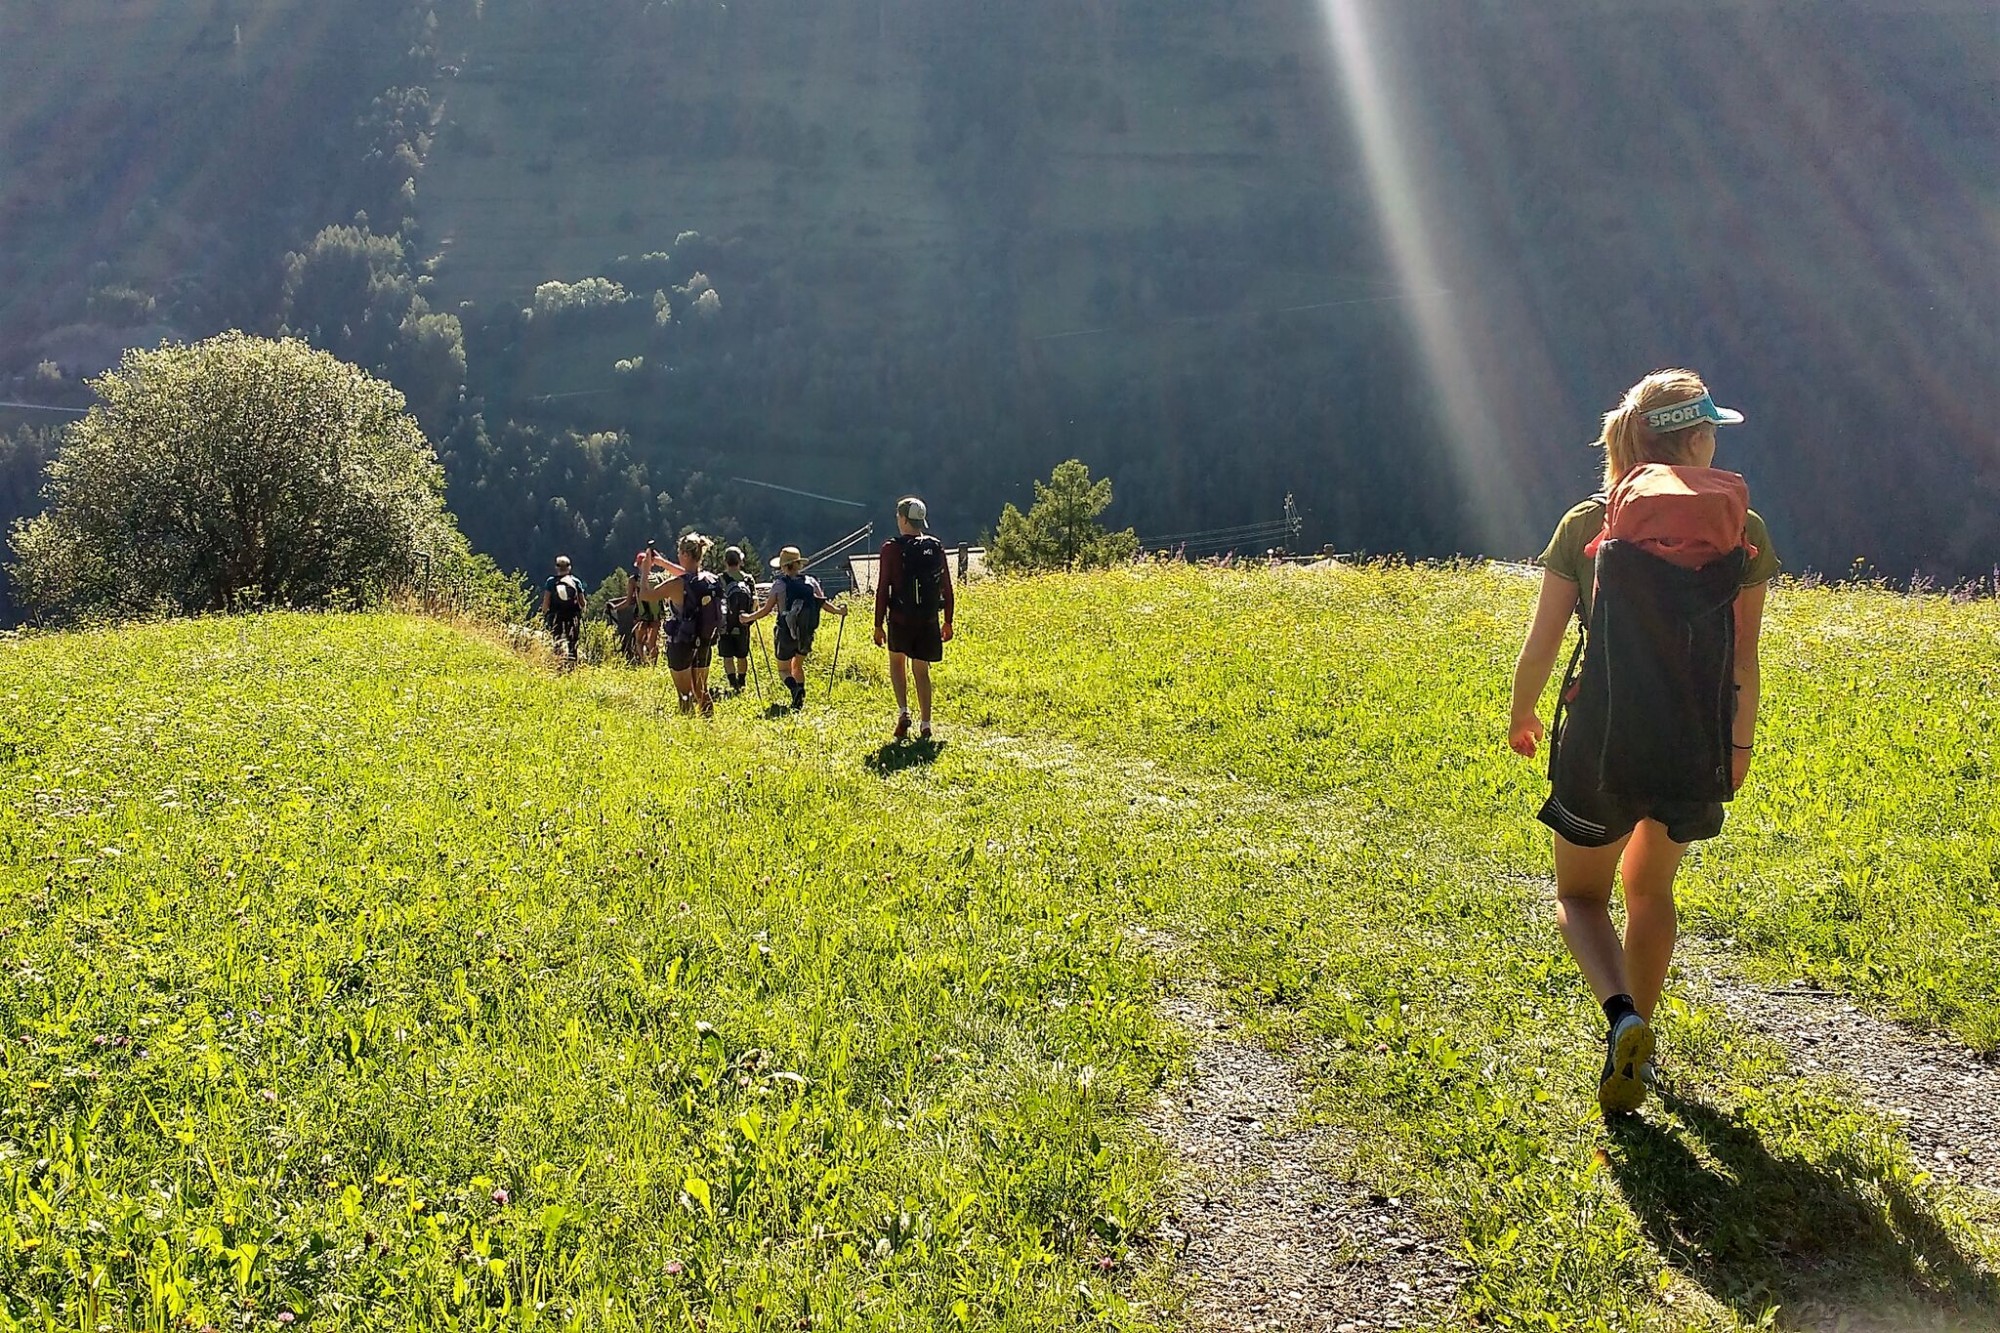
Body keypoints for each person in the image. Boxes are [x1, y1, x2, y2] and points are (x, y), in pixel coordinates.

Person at [1507, 369, 1778, 1115]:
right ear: (1694, 438)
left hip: (1604, 738)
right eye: (1711, 428)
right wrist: (1738, 748)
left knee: (1578, 894)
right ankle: (1638, 1048)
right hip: (1693, 741)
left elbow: (1543, 642)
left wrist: (1522, 713)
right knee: (1651, 889)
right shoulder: (1742, 528)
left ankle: (1621, 1016)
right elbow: (1744, 658)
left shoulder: (1587, 522)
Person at [873, 496, 954, 740]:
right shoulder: (935, 546)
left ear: (903, 519)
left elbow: (882, 587)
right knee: (922, 671)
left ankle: (903, 711)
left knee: (897, 663)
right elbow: (947, 587)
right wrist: (948, 620)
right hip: (928, 619)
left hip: (900, 618)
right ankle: (926, 724)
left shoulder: (891, 548)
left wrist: (878, 624)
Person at [740, 545, 848, 711]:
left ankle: (794, 690)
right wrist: (840, 611)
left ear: (783, 566)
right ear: (799, 564)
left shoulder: (779, 585)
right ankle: (800, 699)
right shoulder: (811, 582)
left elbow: (766, 610)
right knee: (798, 665)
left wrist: (748, 618)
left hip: (785, 631)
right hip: (806, 632)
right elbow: (824, 604)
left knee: (784, 669)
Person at [664, 532, 724, 715]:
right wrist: (660, 562)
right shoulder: (710, 579)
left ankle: (687, 729)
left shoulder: (680, 583)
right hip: (704, 639)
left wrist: (644, 572)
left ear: (685, 555)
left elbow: (645, 595)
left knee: (684, 694)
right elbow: (687, 577)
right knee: (701, 689)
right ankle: (709, 724)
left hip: (682, 640)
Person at [629, 542, 681, 667]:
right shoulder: (658, 578)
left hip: (641, 616)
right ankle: (653, 666)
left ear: (638, 564)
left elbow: (629, 600)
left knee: (639, 642)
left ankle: (643, 663)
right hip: (656, 615)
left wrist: (614, 607)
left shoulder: (634, 580)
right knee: (653, 642)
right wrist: (657, 556)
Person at [715, 546, 757, 695]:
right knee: (742, 655)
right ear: (741, 561)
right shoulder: (748, 579)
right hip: (743, 621)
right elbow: (754, 601)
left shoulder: (720, 579)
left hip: (726, 624)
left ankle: (733, 684)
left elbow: (717, 601)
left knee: (727, 655)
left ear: (725, 561)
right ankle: (742, 682)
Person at [540, 555, 585, 662]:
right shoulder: (576, 581)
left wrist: (544, 613)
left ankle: (557, 663)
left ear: (556, 568)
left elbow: (546, 602)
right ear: (569, 567)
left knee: (557, 640)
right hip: (572, 615)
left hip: (556, 615)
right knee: (572, 642)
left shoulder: (551, 582)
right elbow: (582, 602)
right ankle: (573, 665)